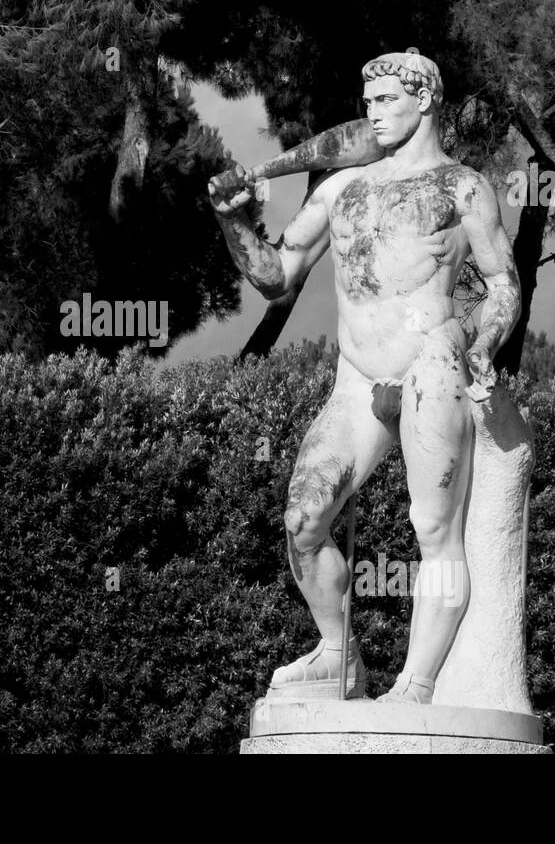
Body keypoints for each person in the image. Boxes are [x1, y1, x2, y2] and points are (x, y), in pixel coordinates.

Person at [208, 52, 521, 703]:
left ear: (426, 99)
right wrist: (234, 219)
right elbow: (275, 276)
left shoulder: (462, 188)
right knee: (302, 518)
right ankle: (337, 651)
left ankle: (417, 685)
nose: (372, 112)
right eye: (368, 100)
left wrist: (487, 341)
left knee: (434, 530)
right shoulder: (340, 189)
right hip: (356, 379)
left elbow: (502, 283)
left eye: (386, 100)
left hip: (430, 366)